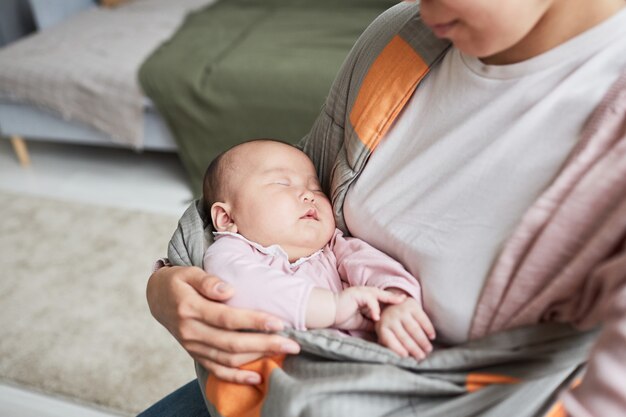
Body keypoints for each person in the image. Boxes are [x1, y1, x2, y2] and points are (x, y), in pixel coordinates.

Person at [142, 0, 626, 416]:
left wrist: (382, 301)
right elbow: (269, 195)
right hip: (290, 371)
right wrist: (169, 287)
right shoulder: (401, 38)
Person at [201, 138, 435, 358]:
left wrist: (393, 301)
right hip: (288, 363)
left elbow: (372, 265)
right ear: (226, 218)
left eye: (316, 188)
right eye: (282, 183)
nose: (308, 195)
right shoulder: (230, 252)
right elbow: (240, 289)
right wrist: (333, 308)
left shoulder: (333, 247)